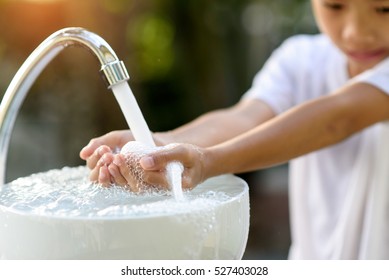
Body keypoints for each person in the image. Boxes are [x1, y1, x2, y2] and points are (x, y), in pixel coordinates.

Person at [80, 0, 389, 259]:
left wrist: (208, 162)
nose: (355, 32)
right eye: (335, 6)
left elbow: (337, 120)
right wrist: (162, 144)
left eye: (384, 9)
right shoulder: (302, 60)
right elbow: (243, 118)